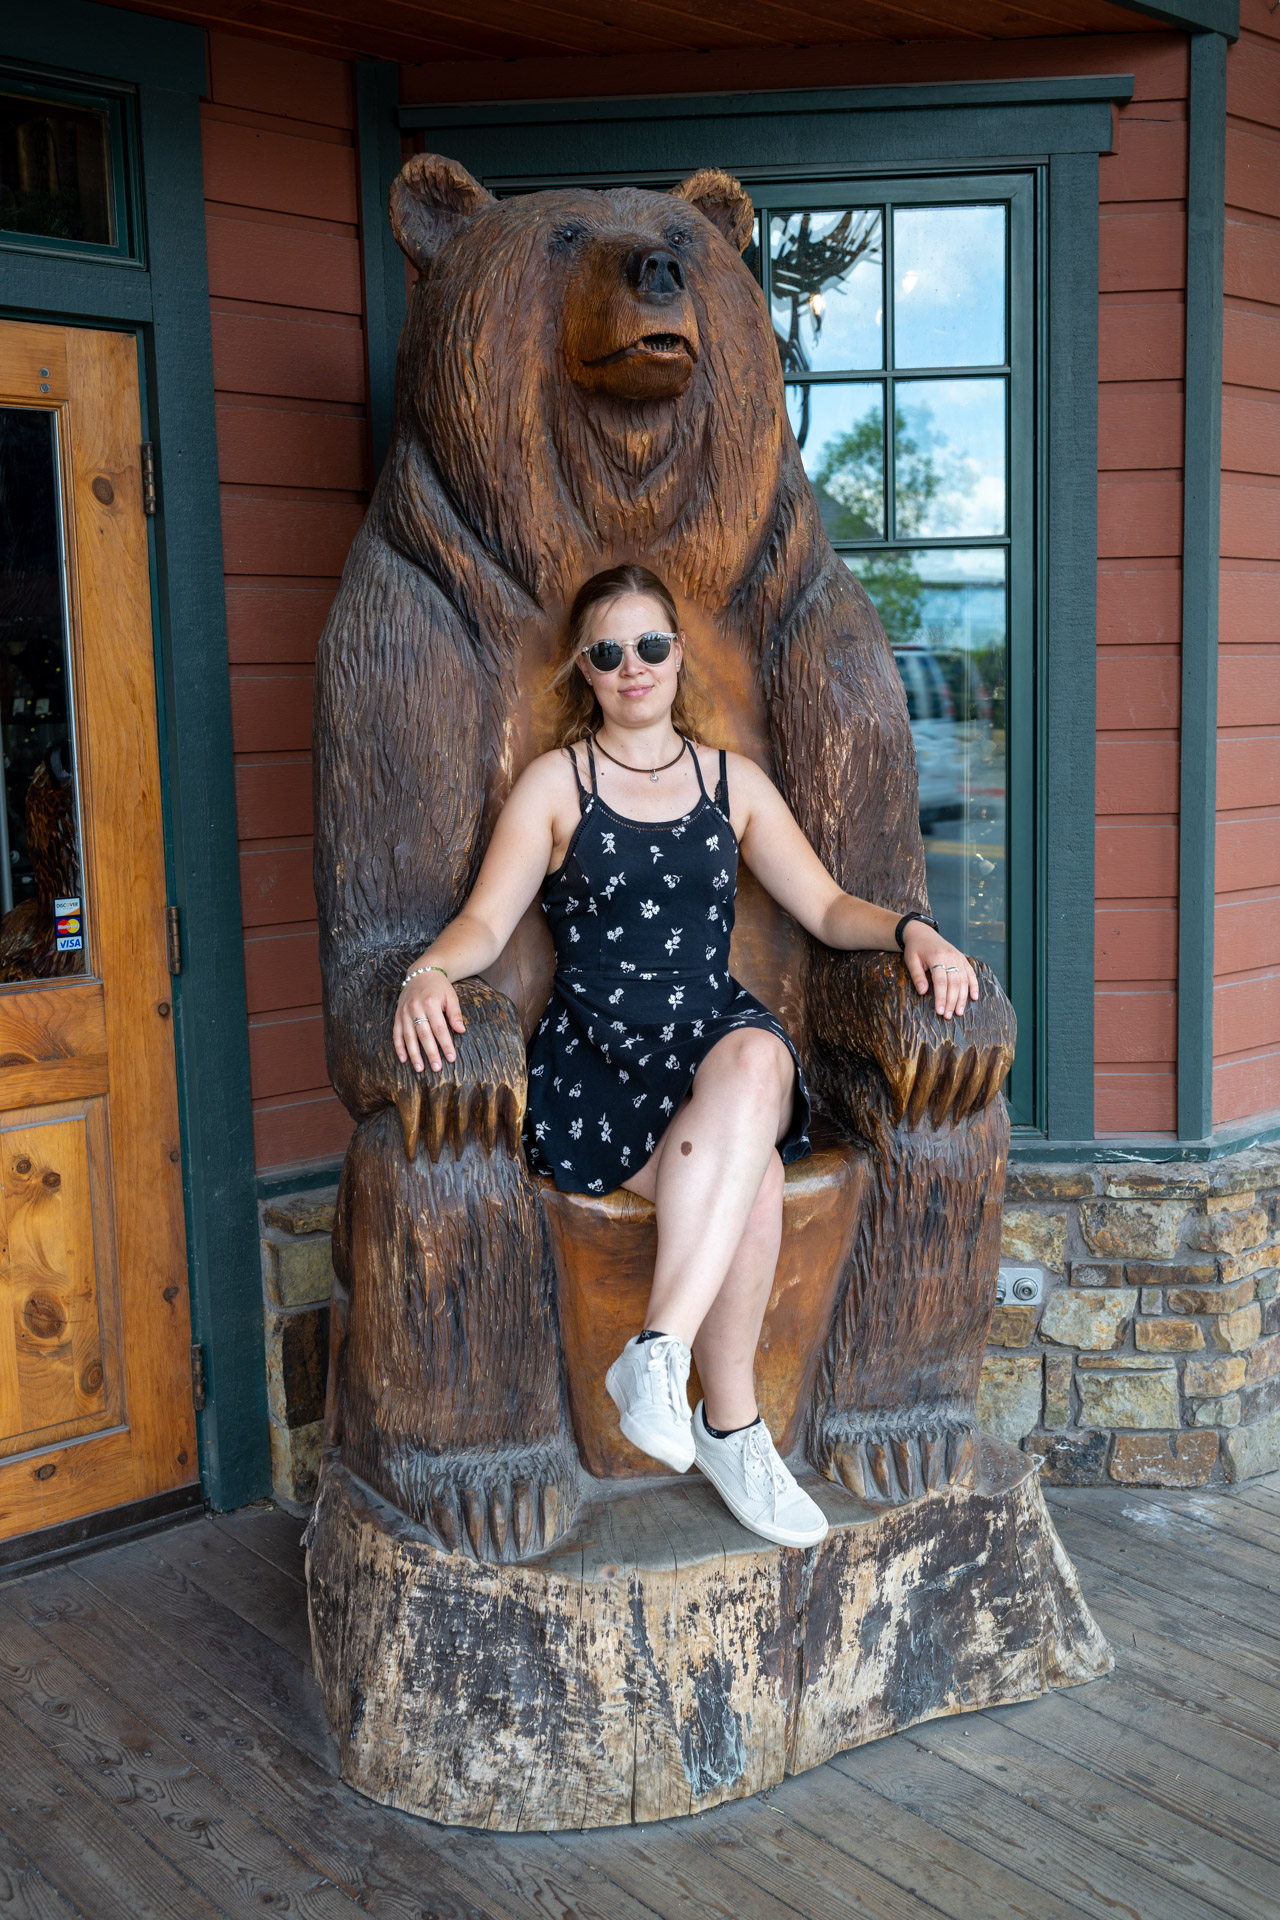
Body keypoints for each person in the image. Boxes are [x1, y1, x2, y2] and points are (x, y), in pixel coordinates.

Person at [394, 564, 979, 1549]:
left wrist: (913, 930)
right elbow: (485, 922)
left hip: (712, 1036)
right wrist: (426, 973)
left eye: (650, 645)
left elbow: (826, 906)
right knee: (753, 1183)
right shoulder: (558, 784)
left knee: (758, 1063)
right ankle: (732, 1427)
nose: (633, 666)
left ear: (677, 656)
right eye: (608, 651)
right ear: (584, 669)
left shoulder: (729, 783)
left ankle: (658, 1351)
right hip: (601, 1058)